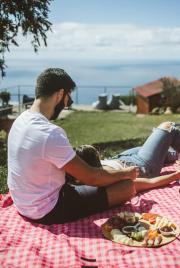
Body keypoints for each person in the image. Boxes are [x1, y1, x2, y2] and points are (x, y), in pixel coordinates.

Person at [7, 68, 139, 225]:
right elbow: (91, 177)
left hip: (23, 203)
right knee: (127, 187)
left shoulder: (20, 121)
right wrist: (125, 174)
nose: (66, 105)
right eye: (68, 100)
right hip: (47, 209)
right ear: (60, 94)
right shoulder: (49, 133)